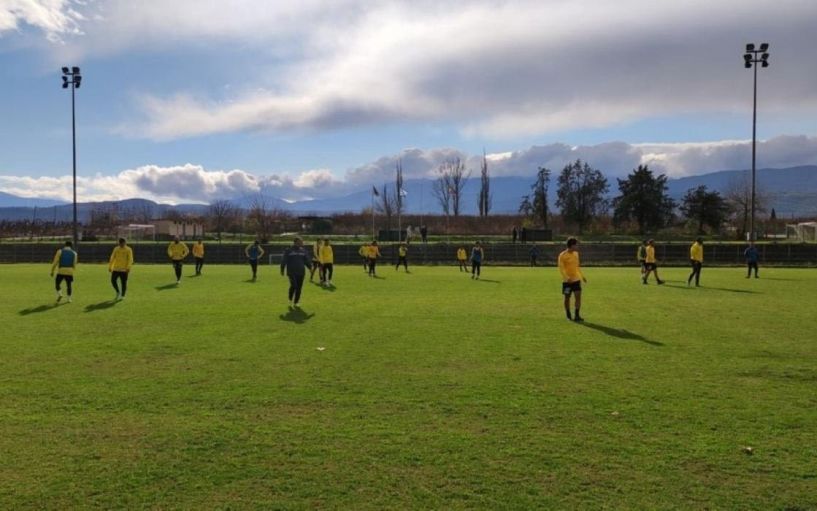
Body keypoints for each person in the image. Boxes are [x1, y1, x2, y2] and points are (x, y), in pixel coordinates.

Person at [558, 237, 587, 322]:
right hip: (567, 282)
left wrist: (582, 276)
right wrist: (567, 278)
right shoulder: (562, 255)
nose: (577, 246)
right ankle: (568, 314)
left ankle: (577, 315)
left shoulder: (576, 254)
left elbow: (577, 267)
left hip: (576, 280)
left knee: (578, 297)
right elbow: (561, 268)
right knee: (567, 298)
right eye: (576, 244)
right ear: (572, 245)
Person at [280, 237, 312, 307]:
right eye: (300, 242)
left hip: (301, 272)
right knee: (294, 286)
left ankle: (296, 302)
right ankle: (290, 298)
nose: (302, 243)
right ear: (295, 242)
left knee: (299, 288)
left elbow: (306, 261)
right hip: (291, 272)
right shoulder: (288, 250)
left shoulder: (303, 251)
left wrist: (310, 268)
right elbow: (284, 260)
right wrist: (282, 269)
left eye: (302, 242)